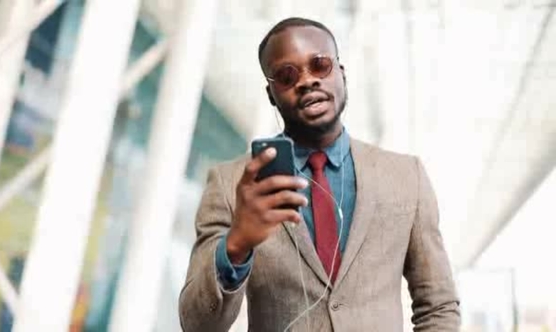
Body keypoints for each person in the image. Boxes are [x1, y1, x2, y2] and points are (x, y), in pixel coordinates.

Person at [179, 17, 460, 332]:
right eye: (287, 76)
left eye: (320, 64)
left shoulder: (407, 177)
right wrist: (235, 246)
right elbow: (196, 324)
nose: (307, 80)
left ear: (341, 73)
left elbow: (439, 307)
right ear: (271, 94)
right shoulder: (231, 185)